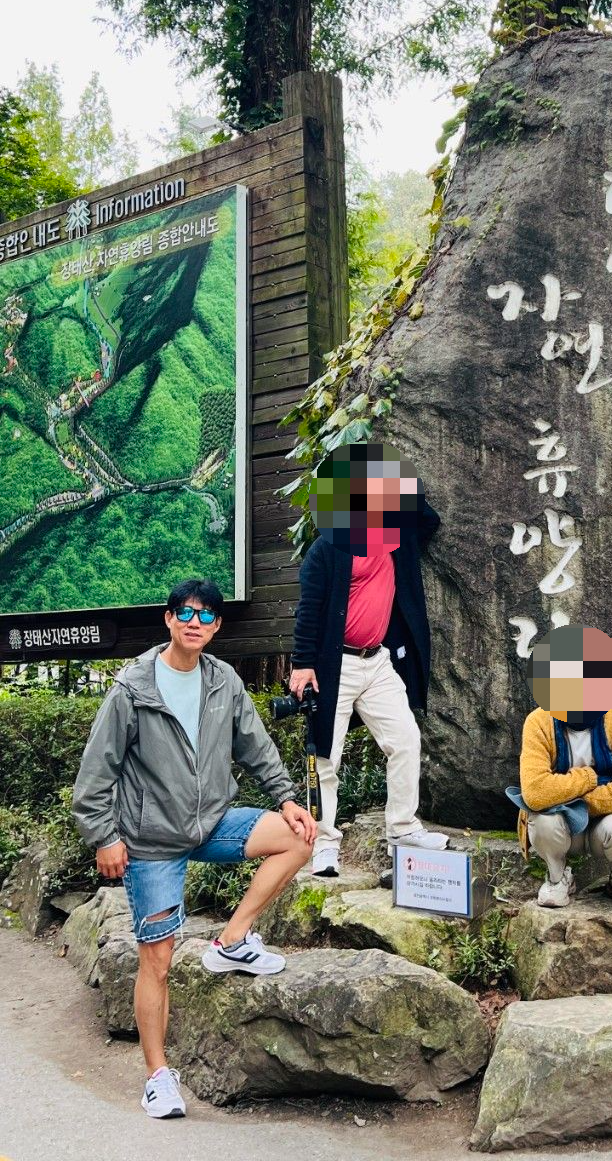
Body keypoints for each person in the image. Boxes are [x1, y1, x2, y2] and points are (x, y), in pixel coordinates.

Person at [72, 579, 316, 1120]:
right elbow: (95, 775)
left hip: (210, 823)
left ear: (216, 626)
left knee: (298, 837)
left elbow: (256, 746)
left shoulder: (223, 680)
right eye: (184, 612)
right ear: (168, 619)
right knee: (156, 960)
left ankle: (231, 940)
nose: (194, 622)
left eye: (206, 615)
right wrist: (105, 836)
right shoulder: (133, 688)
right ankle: (157, 1077)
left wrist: (286, 798)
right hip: (153, 841)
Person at [289, 443, 447, 877]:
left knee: (405, 739)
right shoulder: (327, 548)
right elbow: (308, 610)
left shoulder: (397, 537)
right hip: (333, 666)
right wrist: (302, 664)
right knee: (327, 758)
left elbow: (429, 519)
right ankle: (324, 845)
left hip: (377, 662)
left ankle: (403, 830)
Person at [512, 624, 612, 911]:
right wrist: (590, 777)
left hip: (606, 824)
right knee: (542, 821)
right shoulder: (538, 722)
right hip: (564, 827)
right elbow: (535, 793)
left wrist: (564, 794)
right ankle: (557, 878)